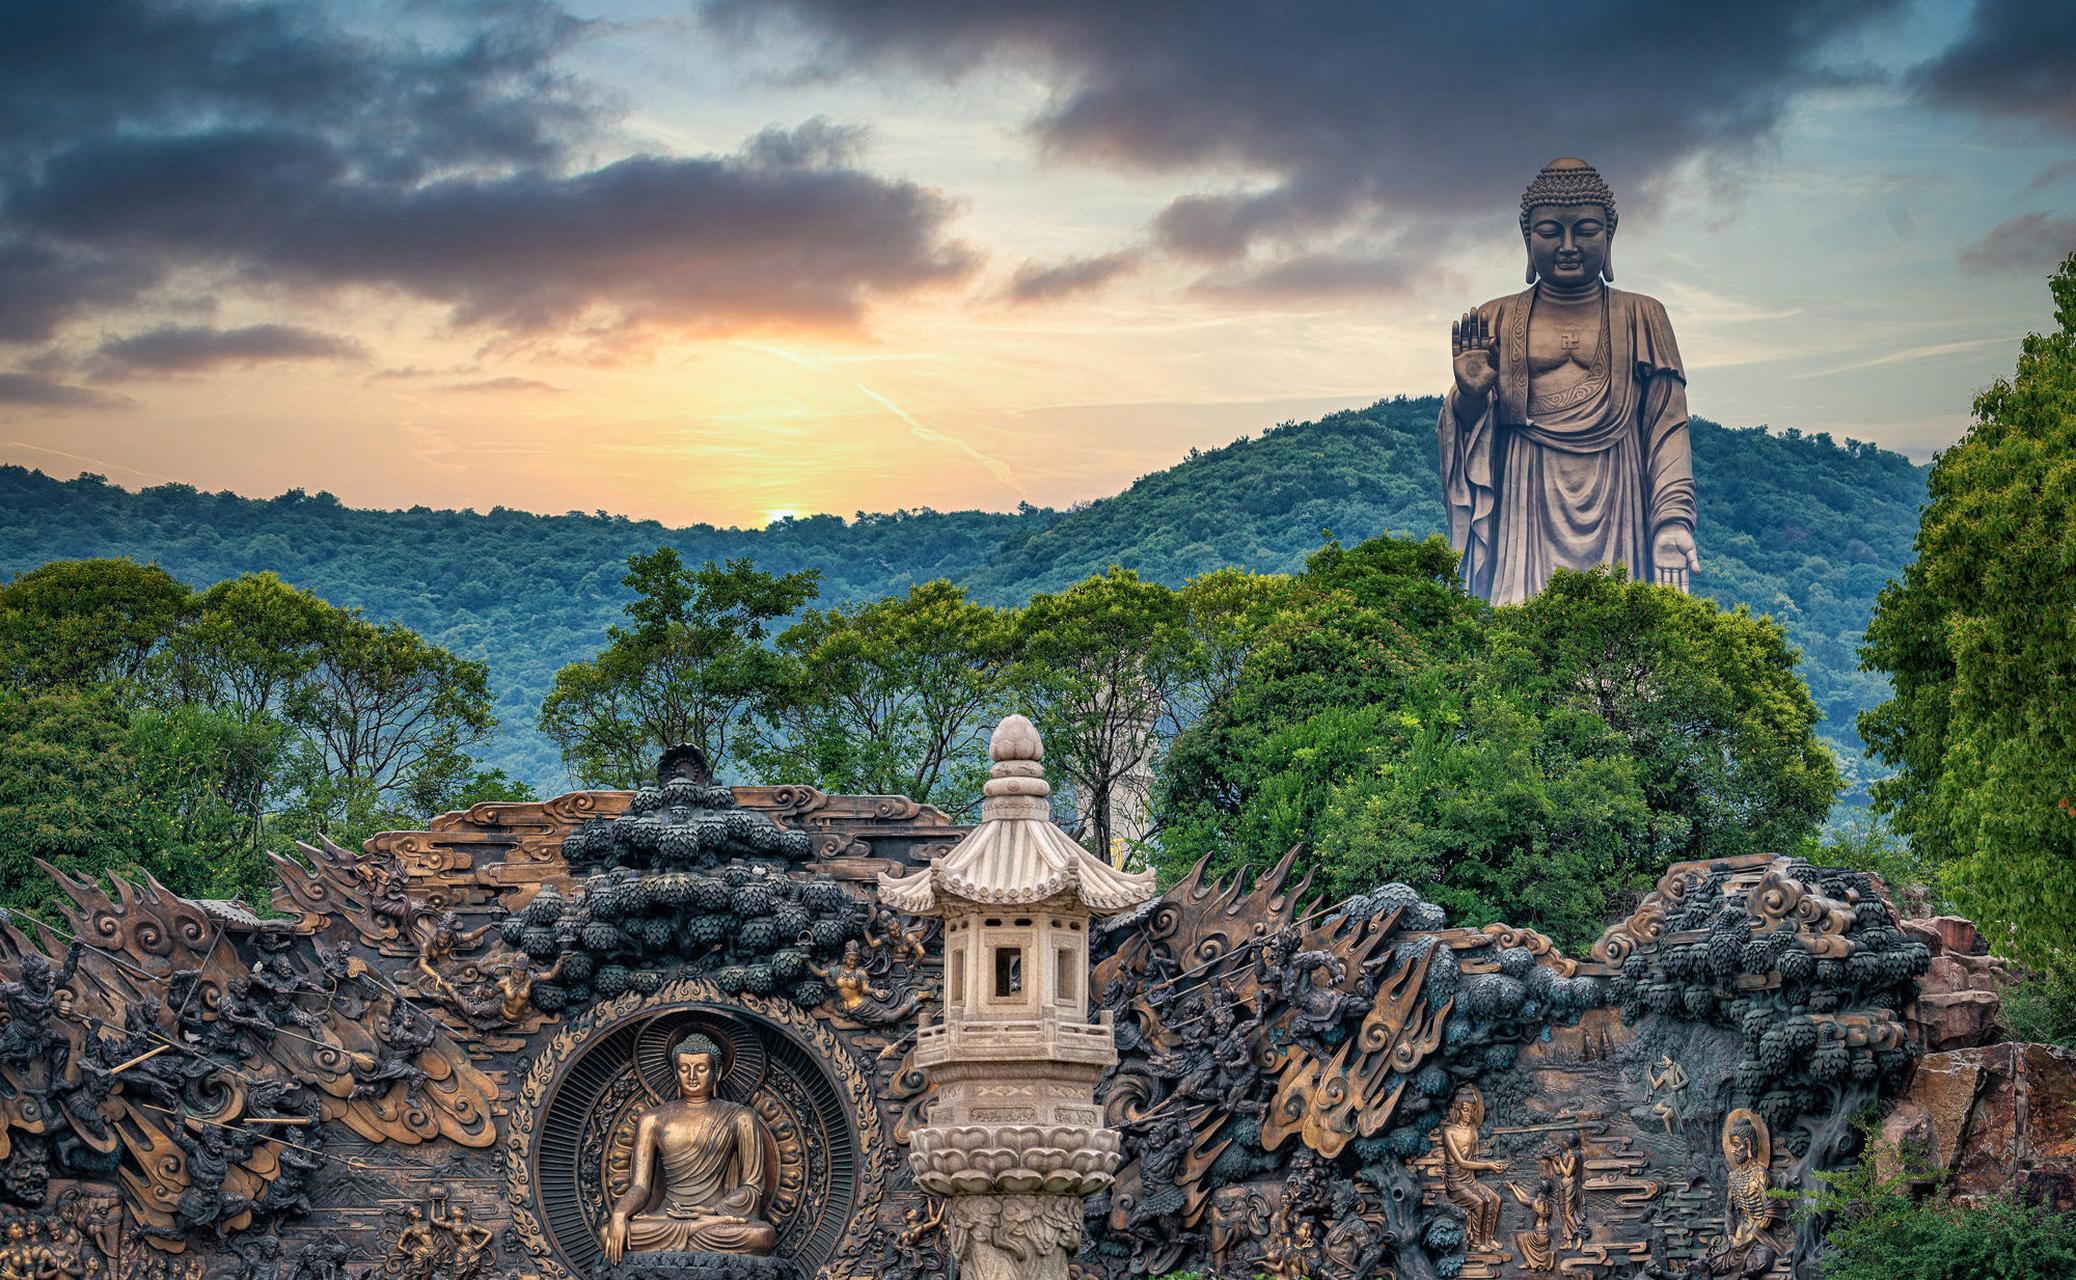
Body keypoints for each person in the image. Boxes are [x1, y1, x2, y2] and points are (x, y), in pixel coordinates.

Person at [1439, 157, 1697, 604]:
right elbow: (1463, 426)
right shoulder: (1496, 318)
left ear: (1609, 237)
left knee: (1616, 645)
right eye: (1550, 231)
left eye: (1586, 230)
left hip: (1618, 495)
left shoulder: (1642, 315)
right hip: (1525, 501)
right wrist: (1469, 397)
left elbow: (1668, 427)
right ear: (1527, 239)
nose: (1569, 245)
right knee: (1519, 638)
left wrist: (1672, 520)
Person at [599, 1034, 777, 1260]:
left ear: (718, 1073)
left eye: (701, 1068)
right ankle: (690, 1232)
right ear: (675, 1073)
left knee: (762, 1235)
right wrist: (620, 1214)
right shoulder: (652, 1119)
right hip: (666, 1218)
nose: (692, 1076)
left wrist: (711, 1211)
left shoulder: (740, 1117)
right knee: (608, 1233)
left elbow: (752, 1188)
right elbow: (641, 1188)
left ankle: (695, 1230)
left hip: (713, 1219)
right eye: (684, 1069)